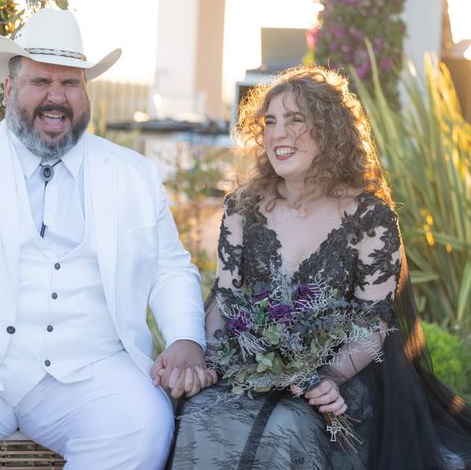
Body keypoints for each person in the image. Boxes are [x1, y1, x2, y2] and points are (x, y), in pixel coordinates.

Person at [0, 8, 213, 470]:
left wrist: (186, 338)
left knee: (142, 422)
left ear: (86, 92)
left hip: (89, 373)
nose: (57, 98)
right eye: (40, 82)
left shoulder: (134, 174)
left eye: (70, 83)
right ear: (9, 89)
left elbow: (169, 268)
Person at [170, 66, 471, 469]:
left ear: (329, 132)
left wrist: (327, 378)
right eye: (271, 121)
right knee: (200, 414)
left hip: (343, 374)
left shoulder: (370, 216)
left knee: (286, 427)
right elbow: (224, 301)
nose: (278, 133)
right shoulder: (242, 207)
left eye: (295, 121)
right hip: (249, 368)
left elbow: (373, 324)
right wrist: (224, 363)